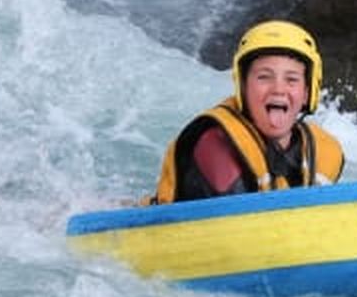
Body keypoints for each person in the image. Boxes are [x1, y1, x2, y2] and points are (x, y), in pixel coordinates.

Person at [143, 20, 344, 204]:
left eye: (291, 80)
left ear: (307, 93)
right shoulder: (214, 145)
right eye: (264, 77)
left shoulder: (323, 150)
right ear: (243, 88)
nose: (278, 89)